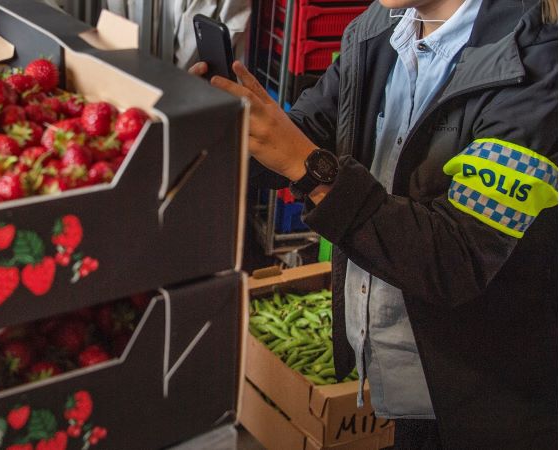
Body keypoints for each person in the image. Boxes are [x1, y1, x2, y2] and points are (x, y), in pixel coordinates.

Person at [191, 0, 557, 447]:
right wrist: (227, 128)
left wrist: (309, 169)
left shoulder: (540, 68)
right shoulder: (379, 28)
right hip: (401, 373)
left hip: (486, 398)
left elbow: (455, 258)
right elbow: (308, 131)